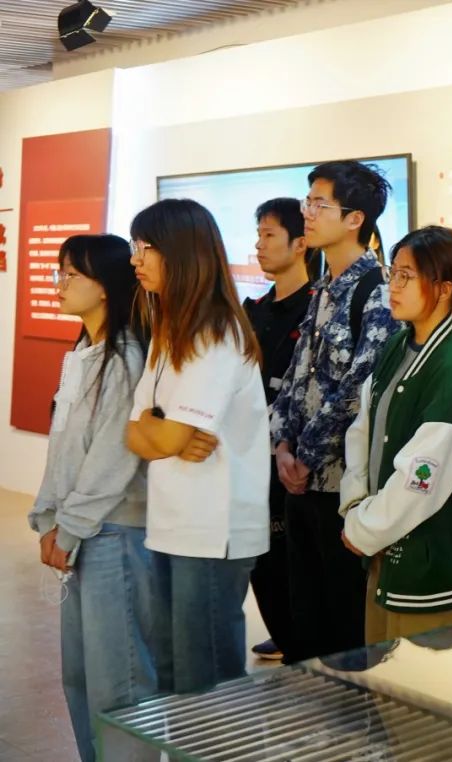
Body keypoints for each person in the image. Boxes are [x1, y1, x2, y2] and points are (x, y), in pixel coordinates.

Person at [125, 198, 269, 694]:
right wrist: (159, 430)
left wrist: (159, 430)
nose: (135, 259)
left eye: (146, 247)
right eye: (135, 246)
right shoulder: (167, 329)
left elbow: (161, 435)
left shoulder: (215, 333)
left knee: (204, 682)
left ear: (182, 252)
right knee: (172, 673)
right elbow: (135, 432)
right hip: (173, 522)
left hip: (212, 528)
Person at [28, 235, 153, 761]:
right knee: (79, 676)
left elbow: (112, 458)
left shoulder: (124, 358)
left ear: (105, 287)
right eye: (59, 272)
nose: (59, 283)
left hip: (114, 534)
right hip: (84, 532)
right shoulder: (84, 353)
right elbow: (64, 449)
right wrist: (50, 517)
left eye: (71, 274)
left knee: (119, 682)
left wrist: (71, 525)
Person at [339, 226, 452, 643]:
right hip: (383, 547)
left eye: (407, 276)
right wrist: (355, 505)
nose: (394, 285)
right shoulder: (399, 343)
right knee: (384, 675)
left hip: (428, 566)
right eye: (394, 272)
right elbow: (363, 428)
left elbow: (422, 478)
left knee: (418, 680)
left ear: (444, 289)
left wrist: (365, 527)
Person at [269, 161, 398, 662]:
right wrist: (282, 445)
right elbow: (294, 375)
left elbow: (358, 387)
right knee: (307, 619)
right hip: (300, 481)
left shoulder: (377, 290)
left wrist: (303, 455)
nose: (308, 212)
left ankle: (351, 709)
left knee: (345, 625)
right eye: (308, 202)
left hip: (342, 488)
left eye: (320, 204)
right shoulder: (323, 289)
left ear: (354, 219)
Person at [243, 197, 314, 661]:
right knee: (262, 565)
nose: (259, 245)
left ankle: (300, 643)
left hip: (294, 462)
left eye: (269, 235)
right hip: (250, 459)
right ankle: (287, 636)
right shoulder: (254, 310)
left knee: (294, 563)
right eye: (259, 235)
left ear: (300, 243)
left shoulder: (315, 309)